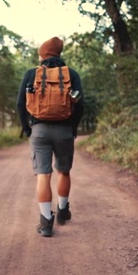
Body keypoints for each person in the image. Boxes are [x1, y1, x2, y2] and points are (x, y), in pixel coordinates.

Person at [16, 36, 84, 237]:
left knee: (43, 175)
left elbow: (20, 104)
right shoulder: (71, 74)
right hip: (64, 130)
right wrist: (73, 128)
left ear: (42, 55)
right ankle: (63, 211)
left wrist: (28, 129)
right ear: (59, 54)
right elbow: (79, 104)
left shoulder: (31, 75)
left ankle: (46, 223)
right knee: (63, 171)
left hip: (39, 130)